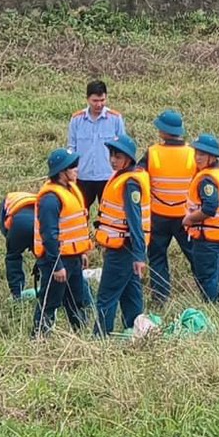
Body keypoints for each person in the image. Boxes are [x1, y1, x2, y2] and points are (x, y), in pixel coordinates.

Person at [92, 135, 149, 334]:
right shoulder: (123, 177)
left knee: (106, 296)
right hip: (123, 248)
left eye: (118, 156)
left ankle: (101, 338)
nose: (113, 160)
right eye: (111, 155)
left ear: (129, 159)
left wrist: (139, 255)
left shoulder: (130, 183)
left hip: (123, 249)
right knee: (130, 294)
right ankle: (136, 330)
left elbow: (135, 221)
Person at [142, 110, 197, 307]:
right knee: (194, 254)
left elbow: (139, 177)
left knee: (157, 257)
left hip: (158, 216)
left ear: (163, 132)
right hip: (186, 217)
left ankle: (160, 297)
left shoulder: (153, 152)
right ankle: (207, 290)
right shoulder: (193, 154)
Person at [34, 150, 92, 334]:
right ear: (61, 171)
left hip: (73, 257)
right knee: (49, 302)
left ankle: (80, 334)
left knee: (77, 300)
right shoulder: (50, 199)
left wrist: (81, 252)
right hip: (57, 260)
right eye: (72, 166)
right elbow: (49, 236)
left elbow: (75, 225)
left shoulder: (71, 189)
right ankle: (39, 338)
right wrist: (57, 265)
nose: (76, 169)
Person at [183, 133, 219, 301]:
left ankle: (211, 307)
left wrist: (189, 220)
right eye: (196, 153)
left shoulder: (207, 179)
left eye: (202, 154)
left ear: (212, 156)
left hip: (207, 237)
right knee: (218, 272)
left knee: (206, 276)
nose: (197, 158)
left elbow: (210, 208)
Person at [67, 82, 124, 208]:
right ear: (87, 99)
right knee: (80, 211)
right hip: (83, 176)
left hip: (107, 176)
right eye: (95, 101)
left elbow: (122, 148)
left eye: (102, 100)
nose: (99, 104)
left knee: (107, 212)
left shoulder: (115, 118)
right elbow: (71, 147)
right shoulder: (77, 119)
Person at [0, 191, 39, 300]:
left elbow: (6, 228)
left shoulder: (8, 204)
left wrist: (13, 243)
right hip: (40, 223)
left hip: (19, 224)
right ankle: (50, 289)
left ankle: (16, 294)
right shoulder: (39, 200)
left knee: (13, 257)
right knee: (46, 258)